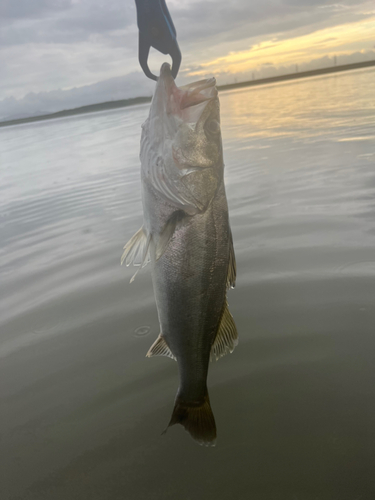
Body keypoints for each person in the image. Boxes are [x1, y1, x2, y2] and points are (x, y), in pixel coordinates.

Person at [134, 0, 181, 80]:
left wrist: (156, 78)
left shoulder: (145, 32)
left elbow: (177, 57)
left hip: (150, 29)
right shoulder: (146, 32)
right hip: (152, 29)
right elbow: (177, 57)